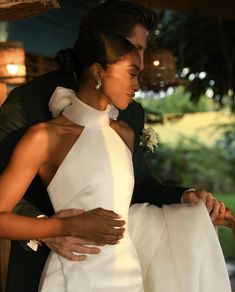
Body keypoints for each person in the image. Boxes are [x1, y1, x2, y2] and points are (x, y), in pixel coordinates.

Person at [0, 1, 234, 291]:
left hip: (122, 273)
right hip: (47, 265)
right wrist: (52, 228)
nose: (141, 68)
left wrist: (189, 205)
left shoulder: (127, 120)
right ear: (104, 50)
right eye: (134, 50)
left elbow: (134, 190)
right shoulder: (28, 107)